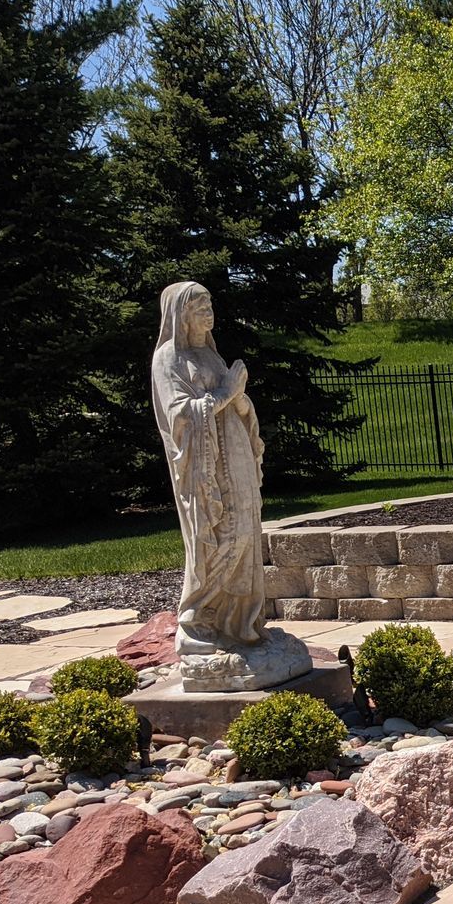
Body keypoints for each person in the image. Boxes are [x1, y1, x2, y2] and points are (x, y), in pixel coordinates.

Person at [151, 280, 268, 656]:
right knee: (220, 537)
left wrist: (241, 400)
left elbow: (234, 403)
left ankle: (239, 622)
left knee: (246, 533)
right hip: (207, 469)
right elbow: (179, 415)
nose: (208, 313)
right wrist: (227, 393)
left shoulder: (212, 356)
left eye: (210, 305)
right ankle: (196, 617)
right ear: (181, 314)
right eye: (199, 307)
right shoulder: (169, 358)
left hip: (237, 457)